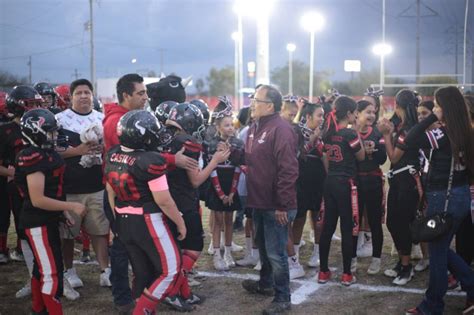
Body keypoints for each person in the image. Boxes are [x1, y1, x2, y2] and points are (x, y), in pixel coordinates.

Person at [102, 73, 198, 313]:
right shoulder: (150, 160)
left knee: (142, 270)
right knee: (171, 269)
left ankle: (141, 304)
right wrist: (180, 222)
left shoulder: (114, 154)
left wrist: (114, 219)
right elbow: (164, 200)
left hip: (123, 216)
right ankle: (141, 309)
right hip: (147, 218)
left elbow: (110, 188)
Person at [403, 86, 474, 315]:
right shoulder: (468, 130)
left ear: (445, 108)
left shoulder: (444, 134)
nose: (434, 109)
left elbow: (410, 139)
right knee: (441, 249)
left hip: (444, 197)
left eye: (436, 105)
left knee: (437, 253)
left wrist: (433, 117)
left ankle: (433, 305)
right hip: (460, 195)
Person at [15, 108, 86, 315]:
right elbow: (37, 199)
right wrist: (71, 206)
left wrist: (62, 213)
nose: (55, 135)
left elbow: (51, 191)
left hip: (45, 220)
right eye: (51, 131)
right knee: (52, 273)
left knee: (41, 268)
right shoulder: (33, 156)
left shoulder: (44, 153)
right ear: (37, 131)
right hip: (37, 221)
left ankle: (38, 309)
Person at [164, 102, 229, 310]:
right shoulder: (188, 143)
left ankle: (185, 292)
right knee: (193, 247)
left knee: (178, 249)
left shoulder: (166, 139)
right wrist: (216, 161)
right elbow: (196, 180)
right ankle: (173, 292)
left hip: (169, 200)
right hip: (184, 201)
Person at [242, 84, 298, 315]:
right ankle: (265, 284)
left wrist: (282, 204)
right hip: (259, 200)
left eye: (256, 100)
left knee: (276, 252)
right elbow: (253, 159)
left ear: (270, 105)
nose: (252, 103)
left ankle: (283, 298)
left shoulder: (281, 129)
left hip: (275, 204)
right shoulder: (256, 126)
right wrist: (231, 153)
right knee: (264, 249)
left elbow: (288, 170)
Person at [56, 79, 110, 291]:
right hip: (69, 188)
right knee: (68, 234)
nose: (84, 96)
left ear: (92, 95)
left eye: (87, 92)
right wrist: (77, 151)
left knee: (99, 231)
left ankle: (105, 271)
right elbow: (52, 150)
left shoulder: (102, 119)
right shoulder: (60, 120)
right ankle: (68, 270)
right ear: (71, 96)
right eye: (79, 93)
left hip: (96, 185)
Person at [317, 96, 365, 286]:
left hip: (330, 182)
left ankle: (323, 271)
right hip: (347, 184)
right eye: (354, 113)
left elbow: (327, 160)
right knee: (347, 228)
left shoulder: (328, 133)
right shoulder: (350, 134)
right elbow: (360, 157)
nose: (355, 116)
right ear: (348, 113)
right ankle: (346, 274)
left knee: (327, 228)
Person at [378, 89, 421, 286]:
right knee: (392, 222)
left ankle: (406, 267)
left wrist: (387, 135)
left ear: (397, 104)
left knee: (401, 222)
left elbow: (394, 157)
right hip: (398, 179)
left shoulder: (409, 129)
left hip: (407, 182)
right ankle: (402, 262)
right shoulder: (402, 124)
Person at [290, 100, 326, 279]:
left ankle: (317, 252)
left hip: (318, 180)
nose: (322, 119)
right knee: (299, 218)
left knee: (317, 217)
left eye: (323, 115)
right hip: (301, 180)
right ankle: (294, 254)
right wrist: (313, 139)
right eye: (319, 115)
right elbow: (296, 155)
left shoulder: (325, 133)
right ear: (308, 116)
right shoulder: (297, 132)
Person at [351, 99, 387, 275]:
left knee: (374, 221)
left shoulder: (377, 133)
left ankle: (376, 259)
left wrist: (375, 151)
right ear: (357, 113)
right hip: (355, 183)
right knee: (353, 222)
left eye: (373, 112)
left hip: (373, 181)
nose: (372, 115)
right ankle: (351, 260)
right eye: (368, 112)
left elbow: (382, 159)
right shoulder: (349, 132)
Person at [206, 112, 243, 271]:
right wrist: (221, 194)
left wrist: (232, 193)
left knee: (229, 219)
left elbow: (238, 168)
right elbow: (212, 169)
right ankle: (216, 254)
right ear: (218, 127)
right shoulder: (211, 144)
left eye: (232, 125)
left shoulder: (238, 143)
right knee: (217, 220)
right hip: (216, 183)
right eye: (226, 125)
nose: (230, 128)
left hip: (231, 184)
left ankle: (228, 252)